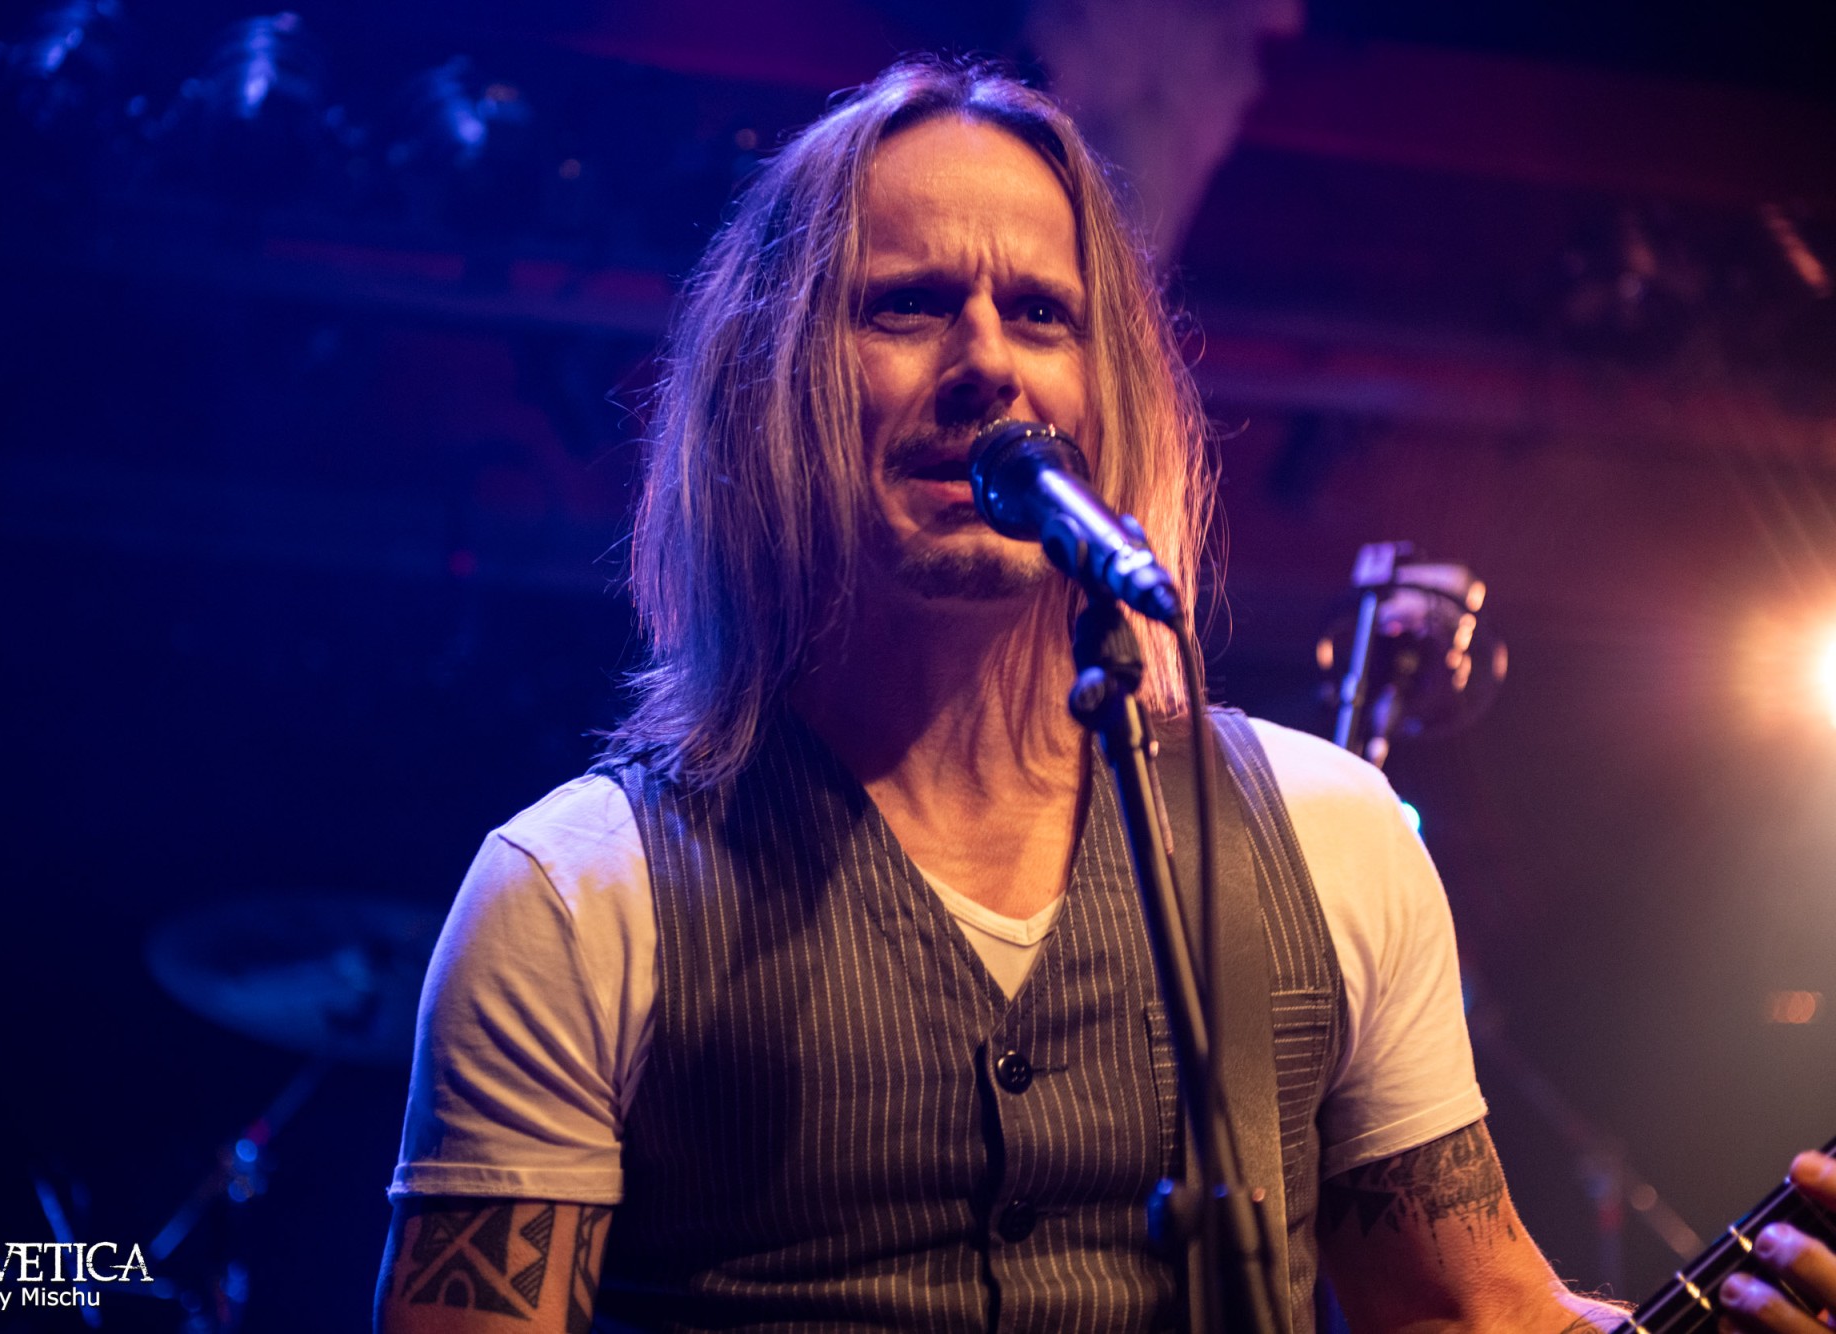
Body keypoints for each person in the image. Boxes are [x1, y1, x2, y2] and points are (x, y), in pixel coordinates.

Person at [375, 59, 1836, 1333]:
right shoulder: (577, 897)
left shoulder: (1331, 840)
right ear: (774, 386)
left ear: (1107, 390)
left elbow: (1468, 1312)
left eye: (1041, 313)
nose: (986, 364)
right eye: (907, 305)